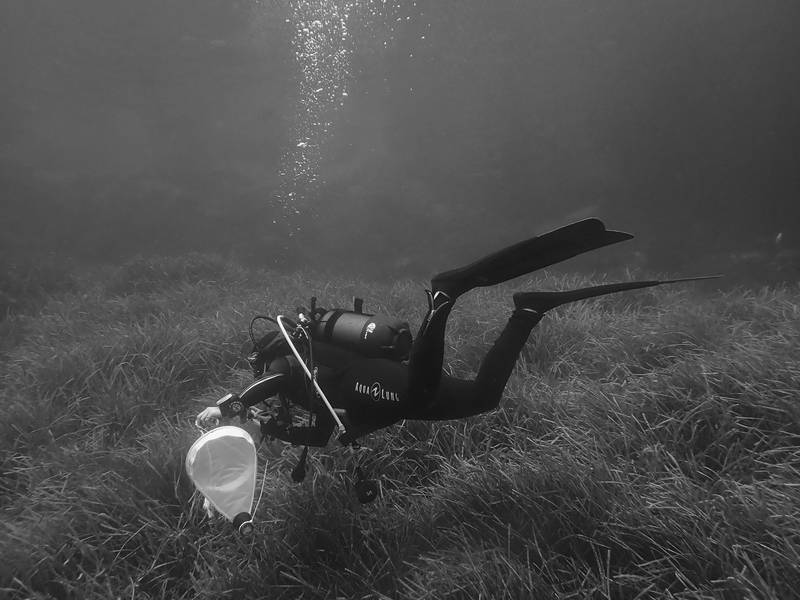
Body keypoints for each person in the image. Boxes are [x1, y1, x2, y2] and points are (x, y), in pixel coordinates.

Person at [195, 218, 717, 445]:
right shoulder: (283, 402)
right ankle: (528, 312)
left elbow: (276, 381)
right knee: (482, 399)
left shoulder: (282, 364)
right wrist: (267, 430)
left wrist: (231, 407)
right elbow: (322, 434)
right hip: (383, 396)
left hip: (381, 382)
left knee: (419, 393)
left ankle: (443, 297)